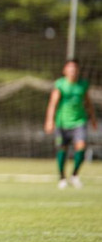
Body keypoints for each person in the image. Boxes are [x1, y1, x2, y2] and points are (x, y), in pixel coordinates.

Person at [44, 60, 97, 189]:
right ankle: (62, 177)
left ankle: (74, 175)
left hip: (80, 121)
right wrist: (49, 120)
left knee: (81, 146)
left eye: (75, 69)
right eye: (70, 68)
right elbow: (53, 103)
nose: (73, 71)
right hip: (62, 122)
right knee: (62, 149)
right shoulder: (60, 84)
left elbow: (88, 102)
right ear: (65, 71)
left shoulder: (83, 85)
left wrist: (93, 118)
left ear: (78, 71)